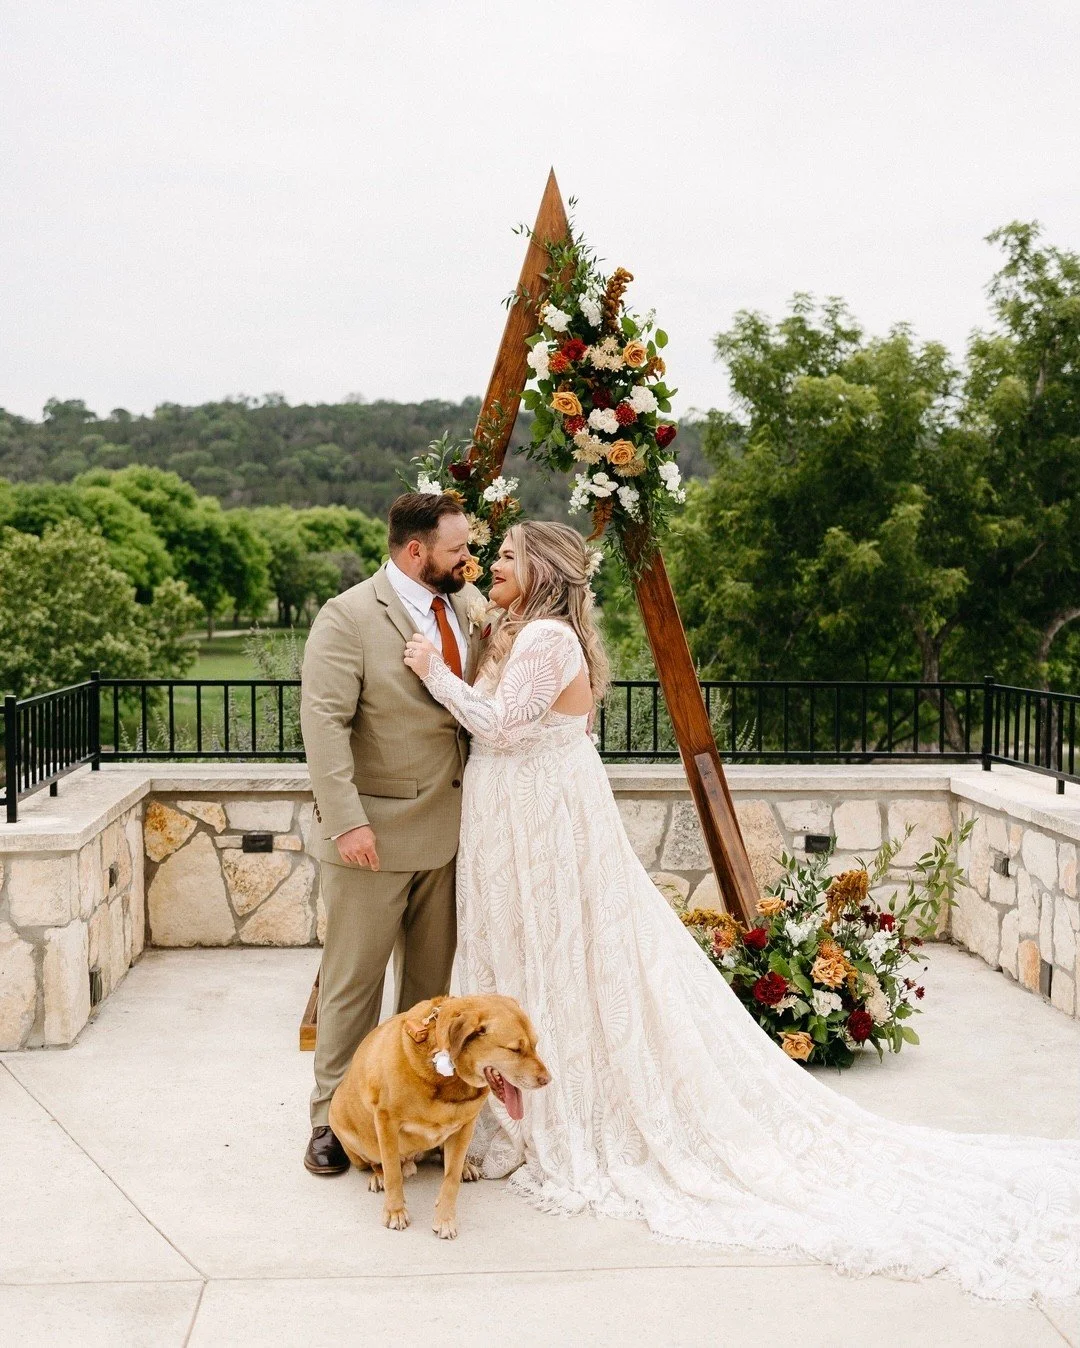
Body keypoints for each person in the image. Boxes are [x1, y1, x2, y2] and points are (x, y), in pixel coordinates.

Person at [401, 518, 1080, 1302]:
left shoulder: (549, 638)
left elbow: (502, 725)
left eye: (511, 557)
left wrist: (434, 674)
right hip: (511, 814)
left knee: (563, 954)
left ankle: (554, 1113)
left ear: (547, 572)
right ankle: (504, 1106)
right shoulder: (520, 631)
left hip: (539, 815)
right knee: (527, 953)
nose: (497, 568)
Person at [300, 491, 485, 1176]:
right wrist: (346, 820)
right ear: (415, 551)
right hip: (372, 837)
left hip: (454, 830)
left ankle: (416, 1121)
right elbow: (323, 726)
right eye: (457, 549)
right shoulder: (346, 617)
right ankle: (328, 1119)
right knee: (353, 985)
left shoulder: (464, 608)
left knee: (431, 995)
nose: (468, 559)